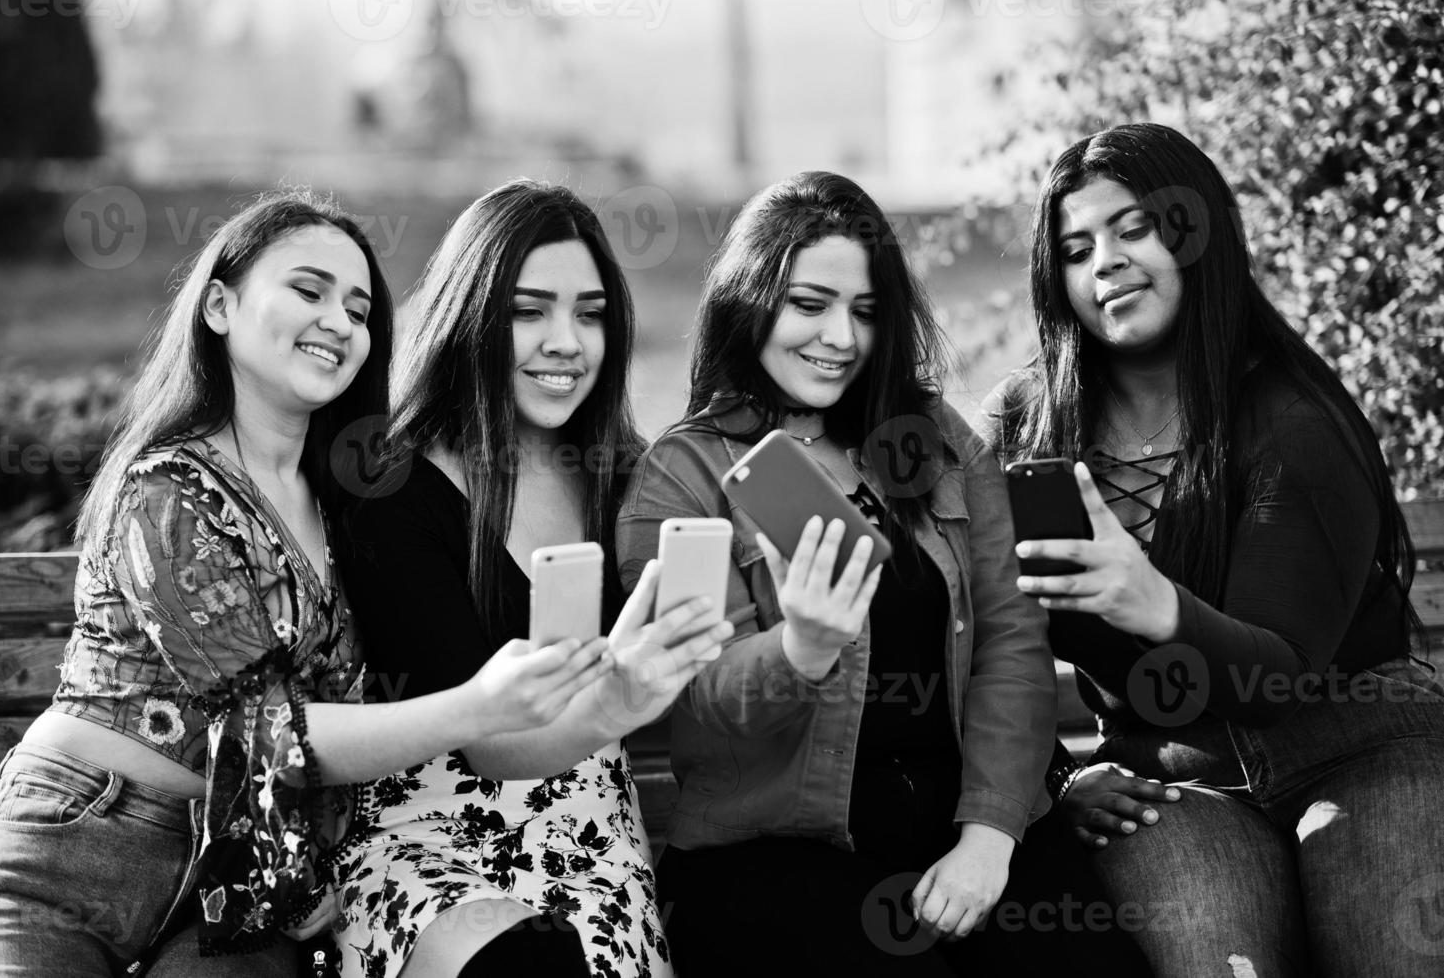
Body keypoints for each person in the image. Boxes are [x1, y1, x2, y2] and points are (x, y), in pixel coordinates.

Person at [0, 190, 615, 977]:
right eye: (308, 291)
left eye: (359, 308)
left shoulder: (353, 504)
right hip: (84, 842)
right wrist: (478, 705)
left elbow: (330, 721)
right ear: (219, 306)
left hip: (237, 885)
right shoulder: (169, 491)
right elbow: (261, 728)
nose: (340, 322)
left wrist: (304, 854)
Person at [615, 170, 1147, 976]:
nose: (839, 337)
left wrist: (989, 834)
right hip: (777, 854)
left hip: (965, 826)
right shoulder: (681, 475)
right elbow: (691, 709)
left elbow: (1010, 641)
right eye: (808, 304)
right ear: (749, 296)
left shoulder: (933, 439)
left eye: (864, 311)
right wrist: (798, 649)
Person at [979, 122, 1444, 977]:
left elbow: (1276, 677)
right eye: (1076, 249)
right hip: (1170, 779)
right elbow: (968, 631)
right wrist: (1054, 781)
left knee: (1397, 951)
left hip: (1362, 741)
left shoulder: (1290, 416)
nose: (1104, 263)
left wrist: (1151, 603)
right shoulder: (1024, 430)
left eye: (1131, 229)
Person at [330, 180, 729, 978]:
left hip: (590, 836)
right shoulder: (394, 487)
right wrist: (615, 699)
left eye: (588, 315)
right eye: (528, 311)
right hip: (433, 842)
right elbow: (487, 747)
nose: (565, 342)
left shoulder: (626, 476)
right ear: (472, 316)